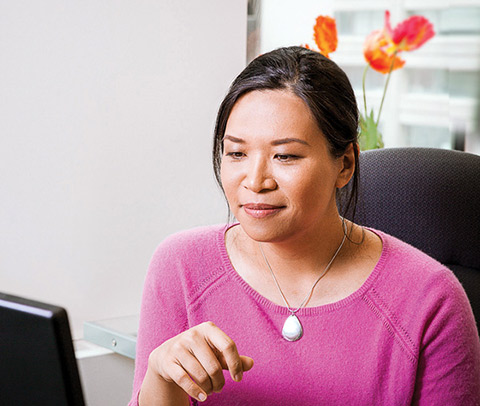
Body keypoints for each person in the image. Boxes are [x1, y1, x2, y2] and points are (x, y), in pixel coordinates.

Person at [129, 46, 480, 406]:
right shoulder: (180, 266)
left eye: (285, 156)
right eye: (236, 153)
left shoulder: (431, 300)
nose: (255, 180)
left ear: (344, 164)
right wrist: (161, 376)